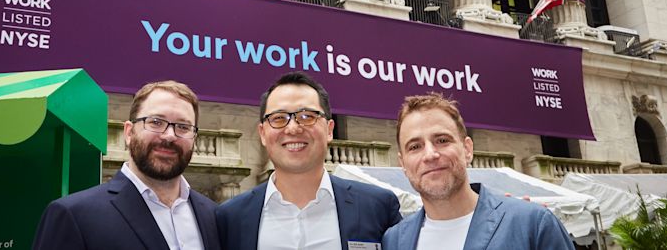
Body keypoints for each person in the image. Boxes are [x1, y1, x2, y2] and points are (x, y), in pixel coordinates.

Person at [216, 72, 400, 249]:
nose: (293, 128)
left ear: (329, 130)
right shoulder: (230, 218)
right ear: (263, 134)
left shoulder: (377, 207)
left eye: (307, 117)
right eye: (279, 118)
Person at [33, 81, 220, 250]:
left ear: (194, 138)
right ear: (129, 133)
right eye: (156, 122)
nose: (170, 135)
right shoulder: (73, 216)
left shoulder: (215, 216)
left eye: (183, 126)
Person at [382, 93, 574, 250]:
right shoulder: (394, 241)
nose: (430, 154)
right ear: (403, 163)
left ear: (467, 149)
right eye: (415, 147)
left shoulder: (532, 224)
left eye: (442, 140)